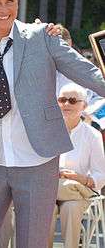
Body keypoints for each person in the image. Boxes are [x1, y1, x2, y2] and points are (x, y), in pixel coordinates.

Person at [0, 0, 105, 248]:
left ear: (18, 1)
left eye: (11, 1)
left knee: (33, 243)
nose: (5, 9)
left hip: (38, 161)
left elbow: (87, 73)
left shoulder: (42, 36)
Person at [48, 83, 105, 248]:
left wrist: (80, 178)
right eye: (62, 100)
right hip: (50, 190)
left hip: (79, 190)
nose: (66, 104)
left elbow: (101, 174)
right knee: (47, 209)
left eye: (72, 100)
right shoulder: (48, 132)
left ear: (84, 106)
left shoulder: (92, 135)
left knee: (71, 208)